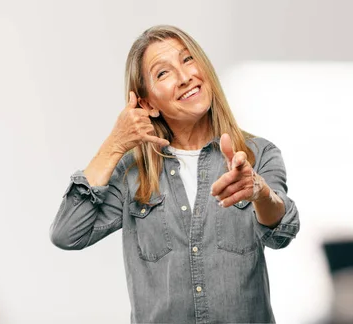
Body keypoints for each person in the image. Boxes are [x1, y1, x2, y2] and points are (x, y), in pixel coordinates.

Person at [50, 25, 300, 324]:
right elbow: (67, 234)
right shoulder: (133, 173)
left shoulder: (258, 153)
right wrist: (114, 144)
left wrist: (258, 191)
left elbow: (283, 233)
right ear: (147, 103)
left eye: (188, 59)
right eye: (163, 73)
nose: (184, 78)